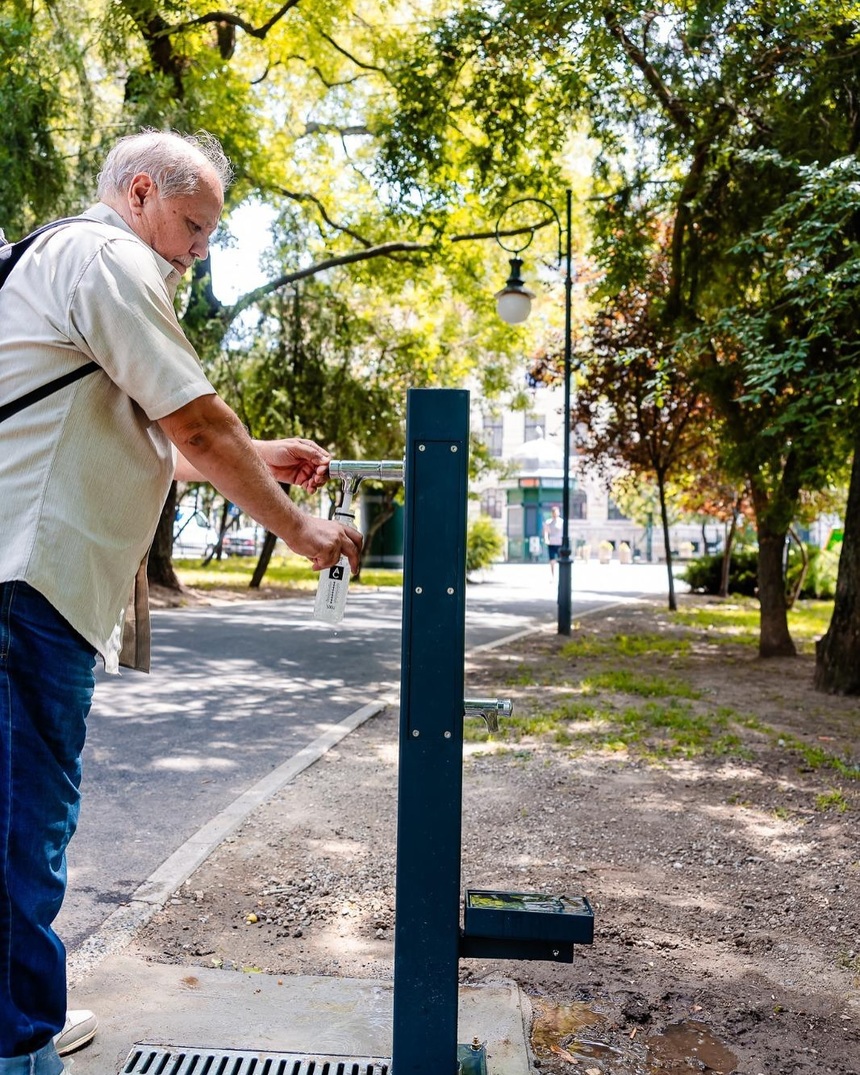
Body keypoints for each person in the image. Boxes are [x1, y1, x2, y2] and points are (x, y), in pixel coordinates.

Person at [0, 129, 362, 1075]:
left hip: (25, 588)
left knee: (20, 826)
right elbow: (195, 419)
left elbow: (129, 434)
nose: (199, 246)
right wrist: (299, 527)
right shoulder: (106, 253)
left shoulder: (55, 262)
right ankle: (20, 1049)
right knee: (21, 834)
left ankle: (16, 1024)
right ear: (142, 190)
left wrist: (252, 455)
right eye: (194, 224)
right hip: (25, 594)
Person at [543, 505, 564, 576]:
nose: (555, 514)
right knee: (552, 560)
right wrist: (546, 539)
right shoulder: (548, 522)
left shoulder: (561, 522)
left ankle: (561, 574)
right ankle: (553, 575)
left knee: (560, 559)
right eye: (553, 513)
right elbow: (546, 532)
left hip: (559, 543)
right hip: (551, 543)